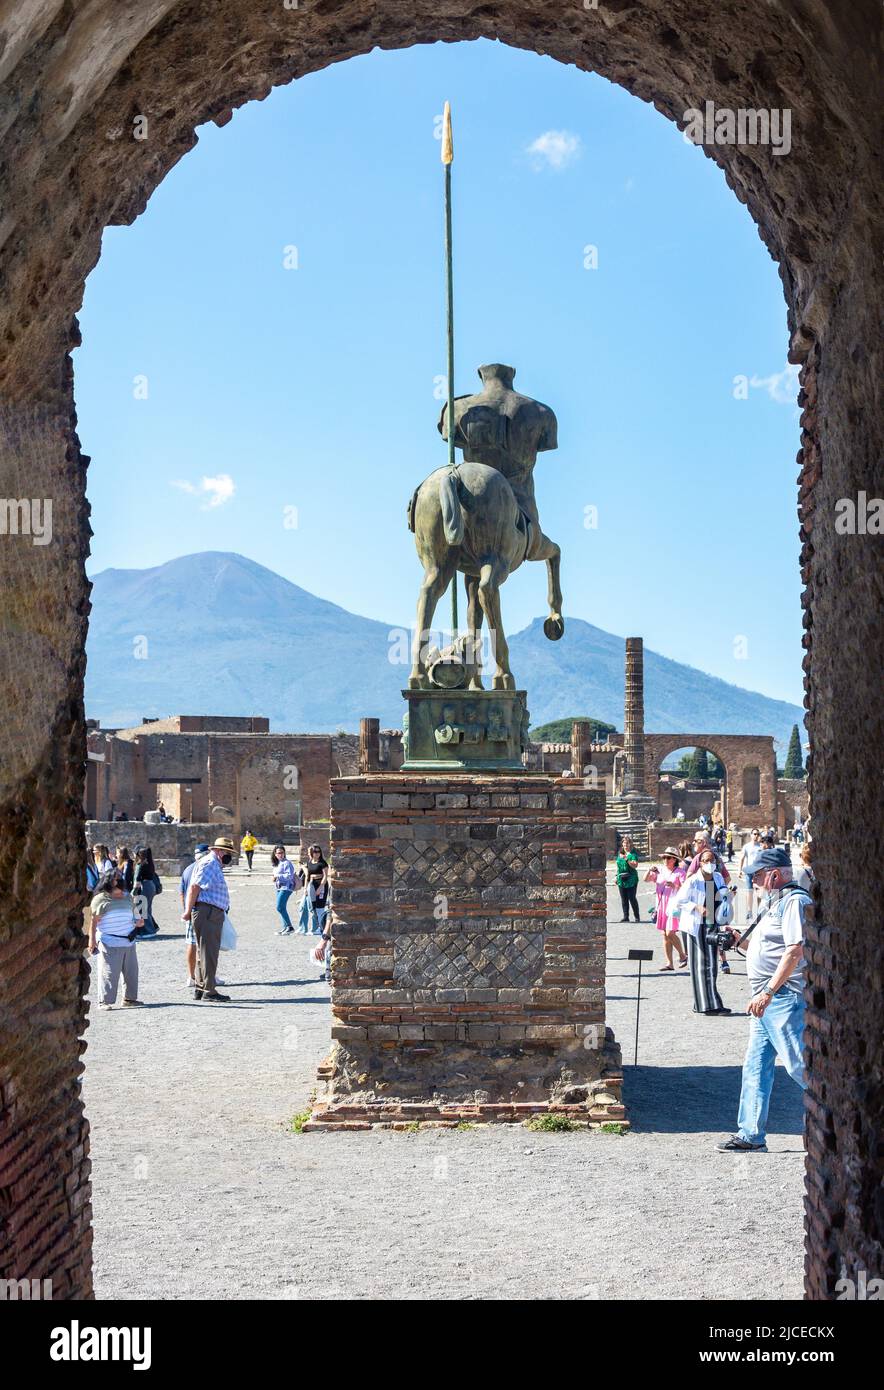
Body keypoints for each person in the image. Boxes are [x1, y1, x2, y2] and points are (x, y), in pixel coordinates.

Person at [718, 848, 813, 1152]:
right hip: (765, 1000)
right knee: (756, 1067)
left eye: (757, 876)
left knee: (800, 1065)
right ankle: (750, 1134)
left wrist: (769, 992)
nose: (755, 882)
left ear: (774, 874)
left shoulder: (795, 902)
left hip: (780, 999)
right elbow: (766, 947)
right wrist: (737, 940)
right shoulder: (774, 902)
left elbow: (795, 950)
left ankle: (842, 1114)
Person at [674, 848, 732, 1015]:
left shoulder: (718, 877)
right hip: (696, 925)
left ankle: (711, 1002)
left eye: (712, 860)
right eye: (706, 861)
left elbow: (722, 895)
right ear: (700, 863)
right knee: (700, 965)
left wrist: (728, 895)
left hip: (712, 923)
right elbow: (680, 901)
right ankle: (705, 1005)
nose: (710, 864)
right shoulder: (693, 881)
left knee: (712, 964)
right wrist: (696, 907)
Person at [183, 836, 236, 1002]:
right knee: (209, 952)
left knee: (204, 951)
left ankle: (201, 987)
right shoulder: (210, 863)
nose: (229, 856)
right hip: (208, 912)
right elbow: (194, 887)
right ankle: (209, 990)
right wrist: (187, 911)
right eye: (227, 852)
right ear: (218, 851)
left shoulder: (211, 863)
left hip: (209, 912)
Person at [88, 868, 144, 1010]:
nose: (118, 880)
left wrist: (138, 921)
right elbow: (93, 921)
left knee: (131, 972)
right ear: (108, 881)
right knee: (108, 973)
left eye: (120, 877)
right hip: (109, 942)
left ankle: (129, 999)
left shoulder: (128, 897)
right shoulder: (100, 899)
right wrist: (92, 941)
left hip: (129, 941)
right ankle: (104, 1001)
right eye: (115, 878)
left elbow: (137, 917)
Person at [644, 848, 688, 970]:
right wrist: (649, 870)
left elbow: (686, 889)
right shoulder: (660, 871)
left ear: (674, 859)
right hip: (661, 906)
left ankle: (683, 955)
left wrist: (675, 886)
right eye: (664, 857)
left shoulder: (680, 873)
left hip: (673, 906)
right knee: (664, 934)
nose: (665, 860)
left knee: (670, 932)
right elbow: (646, 879)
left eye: (668, 857)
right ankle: (669, 963)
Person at [180, 843, 209, 988]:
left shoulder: (187, 869)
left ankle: (191, 977)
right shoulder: (206, 868)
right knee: (205, 945)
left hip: (190, 911)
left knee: (191, 943)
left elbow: (182, 892)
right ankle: (206, 976)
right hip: (203, 911)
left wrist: (186, 909)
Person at [272, 844, 302, 936]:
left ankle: (289, 927)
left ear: (284, 853)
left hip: (286, 887)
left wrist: (278, 876)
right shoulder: (276, 864)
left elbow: (289, 876)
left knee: (279, 907)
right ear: (275, 854)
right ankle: (285, 927)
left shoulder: (287, 863)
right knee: (282, 908)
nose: (280, 854)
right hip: (278, 887)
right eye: (278, 853)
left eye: (282, 852)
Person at [133, 846, 160, 937]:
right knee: (147, 909)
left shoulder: (140, 864)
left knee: (142, 910)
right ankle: (152, 928)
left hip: (144, 887)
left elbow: (137, 880)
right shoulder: (149, 863)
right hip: (150, 886)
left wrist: (133, 892)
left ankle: (148, 931)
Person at [614, 835, 640, 923]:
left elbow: (635, 865)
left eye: (628, 843)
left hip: (631, 879)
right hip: (621, 879)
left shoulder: (633, 854)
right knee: (623, 899)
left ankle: (637, 916)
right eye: (624, 843)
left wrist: (627, 860)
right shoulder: (620, 853)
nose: (626, 845)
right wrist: (616, 877)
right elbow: (618, 866)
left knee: (632, 898)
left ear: (631, 844)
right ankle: (626, 916)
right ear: (622, 844)